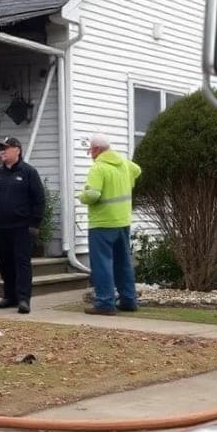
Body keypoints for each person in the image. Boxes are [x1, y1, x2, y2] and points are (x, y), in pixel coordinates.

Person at [77, 133, 141, 315]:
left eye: (91, 151)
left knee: (102, 263)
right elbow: (138, 170)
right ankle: (129, 300)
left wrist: (81, 196)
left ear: (97, 150)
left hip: (102, 222)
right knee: (123, 262)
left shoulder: (99, 168)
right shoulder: (124, 164)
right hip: (122, 221)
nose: (91, 155)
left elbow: (93, 195)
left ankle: (105, 303)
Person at [0, 136, 44, 314]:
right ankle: (9, 296)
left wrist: (34, 224)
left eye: (6, 148)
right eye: (1, 148)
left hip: (22, 227)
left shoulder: (28, 172)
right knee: (4, 262)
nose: (2, 151)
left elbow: (39, 200)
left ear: (17, 150)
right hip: (1, 227)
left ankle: (23, 299)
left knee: (21, 262)